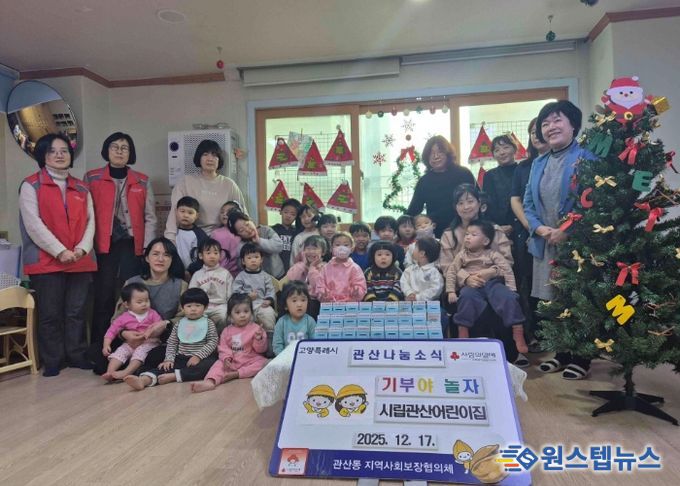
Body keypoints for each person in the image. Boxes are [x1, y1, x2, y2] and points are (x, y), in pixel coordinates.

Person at [523, 100, 595, 380]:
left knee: (579, 300)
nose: (550, 127)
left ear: (573, 124)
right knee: (553, 300)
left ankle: (582, 358)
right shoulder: (538, 163)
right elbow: (529, 203)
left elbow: (592, 200)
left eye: (557, 120)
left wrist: (566, 229)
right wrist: (541, 229)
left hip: (576, 243)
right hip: (546, 243)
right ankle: (562, 354)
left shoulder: (585, 157)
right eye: (545, 123)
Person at [19, 133, 97, 377]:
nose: (59, 155)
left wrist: (82, 249)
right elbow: (34, 225)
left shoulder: (81, 187)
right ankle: (53, 359)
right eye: (53, 151)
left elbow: (91, 222)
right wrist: (59, 251)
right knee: (50, 314)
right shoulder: (31, 185)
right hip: (47, 261)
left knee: (76, 312)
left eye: (64, 151)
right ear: (43, 156)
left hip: (79, 260)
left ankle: (77, 354)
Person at [86, 132, 157, 357]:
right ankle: (99, 346)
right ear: (106, 150)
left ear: (130, 153)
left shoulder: (142, 180)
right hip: (103, 246)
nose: (119, 151)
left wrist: (147, 249)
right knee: (103, 296)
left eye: (124, 147)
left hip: (132, 246)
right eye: (114, 147)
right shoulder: (92, 178)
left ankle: (129, 346)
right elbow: (86, 215)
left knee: (131, 296)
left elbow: (150, 217)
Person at [96, 237, 188, 375]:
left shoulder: (180, 285)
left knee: (156, 356)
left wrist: (166, 324)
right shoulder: (131, 283)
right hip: (130, 339)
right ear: (147, 258)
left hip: (161, 340)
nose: (160, 259)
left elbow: (186, 317)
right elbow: (117, 318)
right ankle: (128, 370)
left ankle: (134, 370)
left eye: (166, 255)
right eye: (155, 254)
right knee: (101, 359)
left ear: (172, 259)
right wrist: (124, 334)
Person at [446, 220, 528, 355]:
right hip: (471, 285)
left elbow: (506, 269)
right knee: (466, 297)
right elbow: (451, 271)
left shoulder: (493, 254)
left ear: (485, 241)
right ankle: (463, 330)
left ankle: (518, 331)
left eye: (473, 235)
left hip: (492, 283)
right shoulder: (461, 255)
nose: (468, 237)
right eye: (467, 234)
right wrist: (450, 291)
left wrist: (511, 288)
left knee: (509, 297)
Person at [124, 288, 218, 390]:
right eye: (189, 306)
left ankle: (174, 376)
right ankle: (144, 380)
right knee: (164, 366)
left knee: (209, 365)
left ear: (205, 307)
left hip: (200, 359)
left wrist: (198, 356)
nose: (193, 309)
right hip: (180, 357)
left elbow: (213, 342)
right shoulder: (179, 324)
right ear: (182, 308)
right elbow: (172, 343)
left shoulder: (209, 323)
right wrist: (169, 359)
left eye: (198, 305)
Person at [511, 119, 550, 352]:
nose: (536, 136)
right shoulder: (524, 167)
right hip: (529, 234)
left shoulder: (561, 161)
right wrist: (530, 225)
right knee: (530, 284)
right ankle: (536, 333)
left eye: (539, 131)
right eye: (532, 132)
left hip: (558, 232)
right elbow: (515, 199)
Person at [165, 139, 247, 240]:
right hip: (191, 236)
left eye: (214, 155)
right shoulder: (185, 182)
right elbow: (174, 213)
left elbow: (243, 214)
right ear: (199, 157)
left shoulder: (229, 184)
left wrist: (248, 237)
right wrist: (170, 239)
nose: (210, 159)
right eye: (205, 154)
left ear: (219, 160)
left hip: (223, 237)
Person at [191, 293, 268, 393]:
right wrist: (226, 358)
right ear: (230, 315)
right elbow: (223, 348)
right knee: (218, 365)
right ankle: (210, 381)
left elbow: (261, 350)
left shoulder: (257, 329)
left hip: (250, 360)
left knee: (264, 363)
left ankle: (237, 374)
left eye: (246, 311)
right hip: (232, 361)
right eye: (237, 312)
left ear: (251, 312)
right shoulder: (227, 331)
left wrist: (259, 339)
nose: (242, 315)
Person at [406, 135, 476, 238]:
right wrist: (401, 227)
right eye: (431, 153)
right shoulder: (424, 181)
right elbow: (414, 209)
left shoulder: (463, 173)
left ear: (448, 154)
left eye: (440, 152)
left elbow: (478, 199)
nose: (436, 156)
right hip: (436, 234)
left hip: (466, 231)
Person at [439, 184, 512, 277]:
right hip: (460, 284)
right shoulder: (448, 235)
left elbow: (508, 261)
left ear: (479, 203)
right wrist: (466, 278)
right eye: (460, 203)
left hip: (493, 280)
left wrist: (492, 272)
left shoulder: (495, 230)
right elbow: (446, 267)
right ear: (455, 207)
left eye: (470, 201)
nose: (466, 207)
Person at [101, 282, 164, 381]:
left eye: (147, 300)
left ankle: (126, 372)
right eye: (139, 302)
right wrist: (106, 345)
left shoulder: (152, 314)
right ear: (127, 304)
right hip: (130, 343)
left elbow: (160, 325)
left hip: (149, 342)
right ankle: (110, 372)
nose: (144, 304)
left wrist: (152, 331)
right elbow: (111, 331)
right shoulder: (123, 317)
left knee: (140, 353)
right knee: (120, 352)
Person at [188, 238, 233, 334]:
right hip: (202, 307)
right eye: (208, 253)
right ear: (201, 255)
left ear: (220, 255)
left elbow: (230, 294)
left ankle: (220, 337)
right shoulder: (197, 274)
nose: (212, 256)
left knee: (223, 316)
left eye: (216, 253)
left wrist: (229, 306)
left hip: (221, 306)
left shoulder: (226, 274)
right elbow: (191, 293)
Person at [232, 243, 277, 333]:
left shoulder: (266, 276)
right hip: (244, 306)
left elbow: (270, 290)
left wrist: (268, 300)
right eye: (249, 258)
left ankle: (269, 336)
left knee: (268, 314)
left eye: (256, 257)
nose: (253, 260)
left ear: (261, 260)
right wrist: (247, 296)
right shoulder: (240, 276)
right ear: (243, 261)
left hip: (262, 304)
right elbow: (235, 291)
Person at [228, 210, 284, 279]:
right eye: (242, 230)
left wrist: (259, 241)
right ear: (238, 235)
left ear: (250, 220)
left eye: (247, 224)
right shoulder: (241, 246)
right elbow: (242, 267)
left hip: (278, 275)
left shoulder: (266, 230)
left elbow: (279, 246)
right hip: (258, 280)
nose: (247, 230)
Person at [484, 135, 519, 236]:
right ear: (493, 155)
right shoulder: (489, 175)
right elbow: (487, 204)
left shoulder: (523, 170)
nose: (502, 152)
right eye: (497, 150)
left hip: (522, 226)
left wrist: (514, 225)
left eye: (506, 147)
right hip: (496, 229)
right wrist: (495, 226)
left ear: (514, 149)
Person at [316, 232, 367, 302]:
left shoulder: (355, 268)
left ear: (352, 248)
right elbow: (320, 286)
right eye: (337, 245)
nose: (342, 248)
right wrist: (323, 294)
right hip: (330, 305)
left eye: (346, 245)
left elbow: (361, 287)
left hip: (349, 305)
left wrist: (356, 292)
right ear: (331, 248)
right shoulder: (326, 268)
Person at [286, 235, 327, 319]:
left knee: (311, 305)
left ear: (323, 252)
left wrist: (312, 268)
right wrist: (303, 264)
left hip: (316, 301)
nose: (311, 252)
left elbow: (317, 286)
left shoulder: (325, 267)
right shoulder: (299, 266)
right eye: (308, 249)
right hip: (299, 298)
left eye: (314, 249)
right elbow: (291, 279)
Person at [272, 281, 316, 355]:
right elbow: (277, 345)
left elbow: (315, 343)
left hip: (305, 357)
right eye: (294, 301)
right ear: (285, 305)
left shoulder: (310, 321)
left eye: (303, 300)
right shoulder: (281, 322)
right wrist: (283, 358)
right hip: (285, 358)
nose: (299, 304)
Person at [400, 237, 444, 302]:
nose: (412, 250)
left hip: (429, 304)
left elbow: (436, 289)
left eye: (415, 248)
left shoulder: (434, 272)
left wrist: (418, 297)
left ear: (422, 253)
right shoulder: (410, 269)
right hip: (409, 302)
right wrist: (409, 293)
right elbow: (404, 281)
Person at [173, 196, 209, 276]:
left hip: (196, 274)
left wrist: (190, 271)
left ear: (197, 216)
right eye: (182, 211)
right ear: (176, 212)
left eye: (190, 213)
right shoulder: (172, 232)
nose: (186, 215)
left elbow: (204, 255)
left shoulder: (200, 235)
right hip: (175, 273)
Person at [211, 200, 243, 278]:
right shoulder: (215, 233)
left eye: (229, 212)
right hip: (218, 273)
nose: (224, 214)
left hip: (238, 274)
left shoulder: (242, 232)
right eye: (222, 212)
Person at [272, 198, 302, 273]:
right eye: (286, 212)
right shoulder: (273, 230)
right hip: (275, 270)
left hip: (292, 270)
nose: (288, 216)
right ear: (280, 212)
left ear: (297, 217)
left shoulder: (297, 233)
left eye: (293, 214)